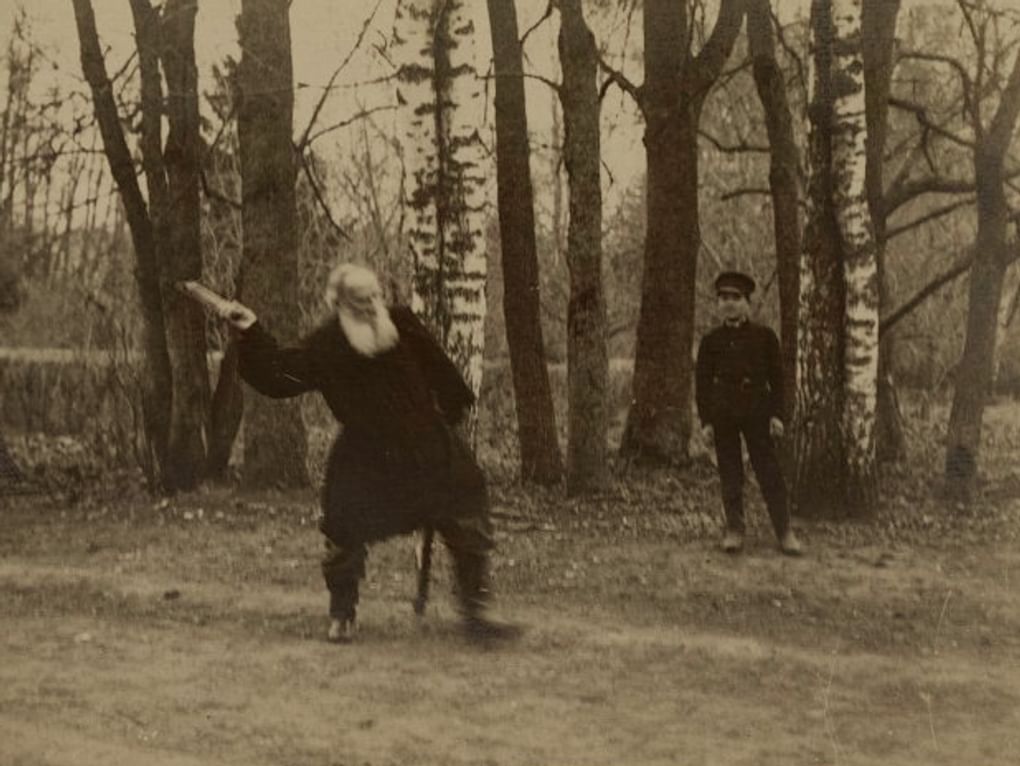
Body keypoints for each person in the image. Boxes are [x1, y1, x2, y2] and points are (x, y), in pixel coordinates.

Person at [221, 263, 520, 644]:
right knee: (343, 521)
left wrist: (449, 417)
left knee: (467, 497)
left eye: (373, 296)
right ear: (338, 303)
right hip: (366, 455)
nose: (368, 304)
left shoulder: (403, 325)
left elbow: (444, 374)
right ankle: (342, 613)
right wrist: (250, 333)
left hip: (426, 447)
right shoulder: (326, 344)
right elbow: (280, 375)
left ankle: (477, 612)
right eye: (358, 299)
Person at [695, 270, 802, 556]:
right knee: (730, 471)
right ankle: (734, 530)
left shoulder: (764, 337)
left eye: (735, 298)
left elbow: (779, 381)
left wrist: (778, 415)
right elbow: (702, 385)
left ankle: (784, 531)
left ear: (747, 303)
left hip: (757, 411)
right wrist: (706, 421)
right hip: (723, 414)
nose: (729, 303)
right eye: (723, 298)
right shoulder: (710, 342)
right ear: (718, 304)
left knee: (769, 471)